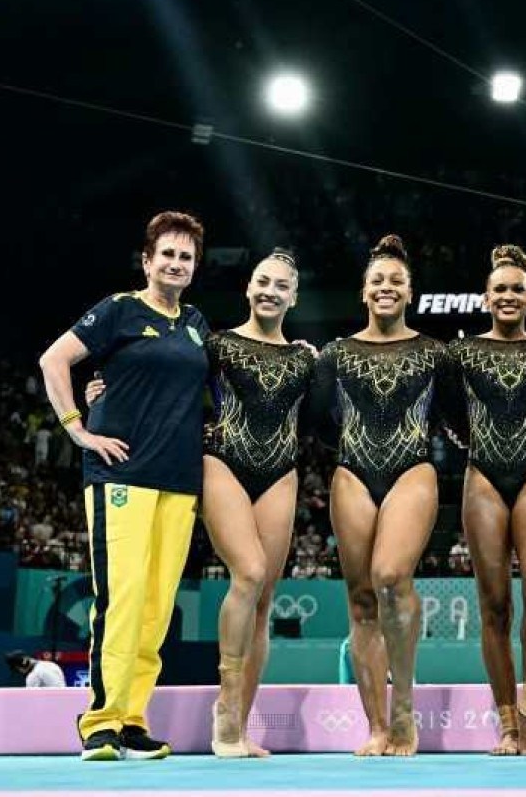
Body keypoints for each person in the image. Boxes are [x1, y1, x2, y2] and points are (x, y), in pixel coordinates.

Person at [39, 211, 211, 762]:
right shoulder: (119, 310)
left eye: (186, 256)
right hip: (123, 475)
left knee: (157, 606)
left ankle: (134, 719)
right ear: (147, 260)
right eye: (168, 253)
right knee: (121, 599)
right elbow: (54, 360)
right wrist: (78, 431)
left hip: (179, 482)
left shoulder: (197, 324)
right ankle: (100, 721)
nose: (177, 263)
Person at [312, 234, 459, 757]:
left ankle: (404, 708)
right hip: (352, 470)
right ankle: (376, 725)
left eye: (396, 280)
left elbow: (460, 418)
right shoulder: (336, 353)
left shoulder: (433, 353)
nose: (387, 287)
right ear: (363, 292)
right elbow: (318, 424)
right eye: (378, 281)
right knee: (361, 599)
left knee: (392, 576)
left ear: (410, 291)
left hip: (412, 469)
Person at [446, 244, 526, 755]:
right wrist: (470, 441)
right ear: (485, 296)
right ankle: (505, 723)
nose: (507, 296)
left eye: (516, 289)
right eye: (499, 288)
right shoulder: (462, 354)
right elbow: (452, 412)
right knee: (495, 603)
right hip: (483, 476)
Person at [194, 250, 315, 757]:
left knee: (263, 600)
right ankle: (225, 703)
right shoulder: (217, 345)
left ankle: (240, 726)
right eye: (262, 281)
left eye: (280, 285)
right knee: (247, 573)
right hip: (223, 461)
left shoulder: (307, 358)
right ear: (248, 288)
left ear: (293, 297)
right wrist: (104, 391)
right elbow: (166, 383)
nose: (269, 290)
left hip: (280, 471)